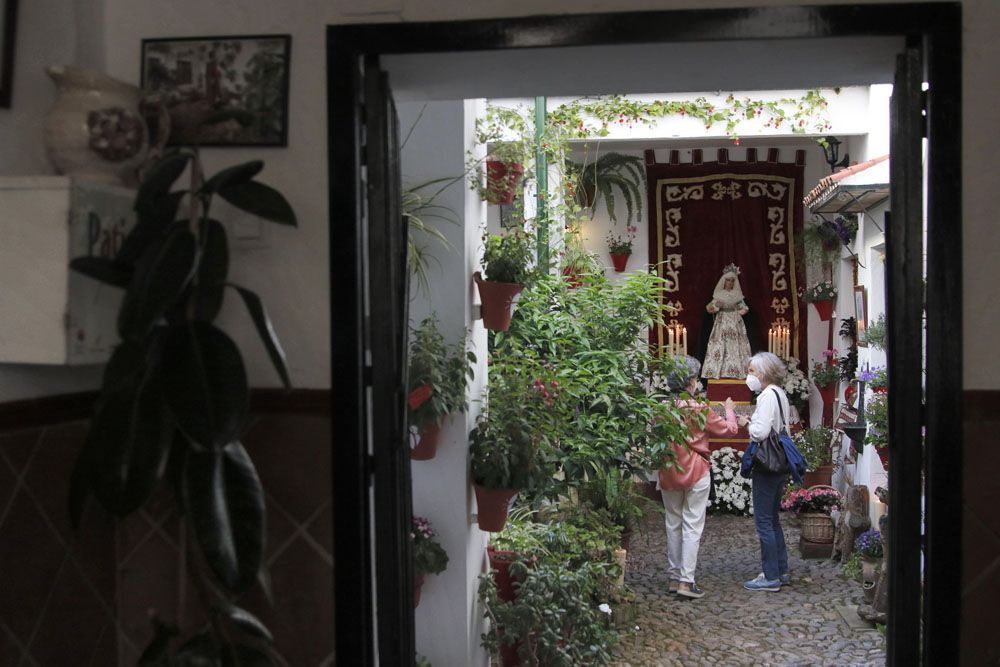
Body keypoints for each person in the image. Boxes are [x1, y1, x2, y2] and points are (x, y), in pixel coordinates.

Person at [658, 355, 738, 599]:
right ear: (690, 381)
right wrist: (729, 411)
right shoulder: (699, 408)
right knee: (692, 525)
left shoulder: (661, 408)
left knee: (673, 523)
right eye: (695, 379)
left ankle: (673, 577)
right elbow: (729, 430)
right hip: (696, 469)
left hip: (669, 468)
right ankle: (686, 581)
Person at [737, 351, 793, 592]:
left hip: (767, 463)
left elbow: (759, 433)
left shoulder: (766, 396)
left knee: (763, 522)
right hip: (780, 461)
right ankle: (781, 569)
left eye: (752, 371)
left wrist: (746, 424)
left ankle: (770, 576)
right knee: (773, 519)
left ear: (762, 373)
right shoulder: (780, 394)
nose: (749, 376)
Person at [702, 264, 754, 379]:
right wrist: (716, 306)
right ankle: (719, 371)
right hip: (722, 321)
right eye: (728, 280)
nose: (730, 283)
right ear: (724, 282)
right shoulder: (719, 294)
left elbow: (744, 308)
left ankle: (737, 370)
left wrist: (739, 308)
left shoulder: (737, 294)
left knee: (735, 345)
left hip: (735, 321)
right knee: (720, 343)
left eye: (732, 281)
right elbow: (709, 309)